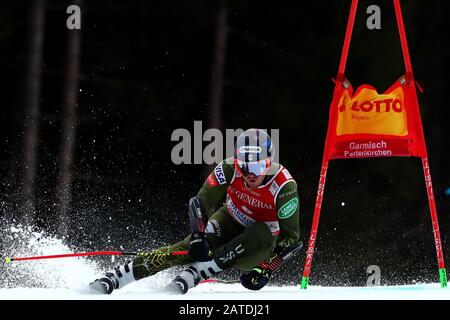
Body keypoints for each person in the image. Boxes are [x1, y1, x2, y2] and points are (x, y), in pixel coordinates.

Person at [89, 128, 300, 294]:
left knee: (261, 231)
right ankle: (116, 277)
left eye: (257, 167)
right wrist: (199, 236)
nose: (250, 174)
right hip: (230, 219)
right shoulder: (228, 168)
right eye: (244, 167)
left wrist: (265, 268)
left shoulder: (283, 187)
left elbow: (291, 239)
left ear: (269, 164)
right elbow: (199, 202)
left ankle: (198, 272)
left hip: (257, 243)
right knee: (186, 248)